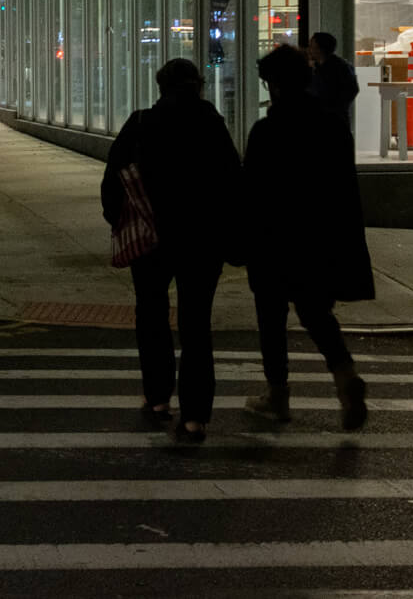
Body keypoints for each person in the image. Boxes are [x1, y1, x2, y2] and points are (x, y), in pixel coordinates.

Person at [101, 57, 242, 443]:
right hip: (202, 239)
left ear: (160, 86)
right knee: (196, 324)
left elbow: (113, 179)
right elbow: (233, 182)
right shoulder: (212, 124)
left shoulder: (142, 123)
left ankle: (158, 396)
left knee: (151, 313)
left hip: (151, 236)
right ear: (198, 85)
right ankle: (195, 415)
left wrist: (119, 219)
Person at [241, 43, 375, 430]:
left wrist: (243, 239)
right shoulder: (333, 126)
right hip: (321, 239)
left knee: (271, 318)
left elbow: (253, 191)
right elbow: (344, 189)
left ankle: (277, 395)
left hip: (275, 239)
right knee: (317, 313)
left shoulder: (267, 130)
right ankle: (345, 375)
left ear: (275, 86)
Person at [304, 31, 360, 132]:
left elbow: (350, 90)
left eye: (312, 46)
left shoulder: (336, 69)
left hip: (332, 122)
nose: (309, 50)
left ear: (320, 49)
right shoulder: (337, 66)